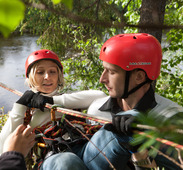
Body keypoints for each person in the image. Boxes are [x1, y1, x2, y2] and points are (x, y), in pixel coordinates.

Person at [29, 33, 183, 170]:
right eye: (104, 70)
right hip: (73, 162)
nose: (102, 79)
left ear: (139, 77)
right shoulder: (97, 109)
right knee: (65, 162)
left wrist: (140, 152)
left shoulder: (172, 117)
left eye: (112, 72)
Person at [0, 49, 105, 169]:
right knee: (66, 162)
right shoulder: (27, 113)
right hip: (53, 160)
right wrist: (20, 105)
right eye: (40, 72)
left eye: (52, 72)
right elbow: (3, 150)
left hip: (84, 150)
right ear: (30, 78)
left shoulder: (69, 99)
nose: (47, 77)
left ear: (59, 76)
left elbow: (101, 97)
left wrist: (52, 101)